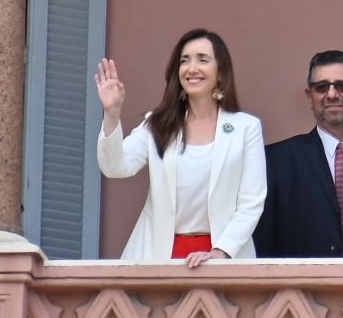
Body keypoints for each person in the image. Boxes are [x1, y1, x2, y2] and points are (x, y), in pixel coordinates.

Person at [95, 29, 267, 264]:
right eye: (185, 60)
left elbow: (251, 202)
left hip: (223, 256)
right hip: (158, 256)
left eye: (203, 59)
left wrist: (220, 252)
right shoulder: (158, 123)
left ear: (220, 72)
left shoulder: (246, 128)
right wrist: (112, 113)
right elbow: (115, 167)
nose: (192, 68)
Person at [254, 50, 343, 258]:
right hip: (303, 279)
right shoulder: (276, 162)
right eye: (321, 87)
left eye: (342, 86)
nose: (332, 94)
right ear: (309, 95)